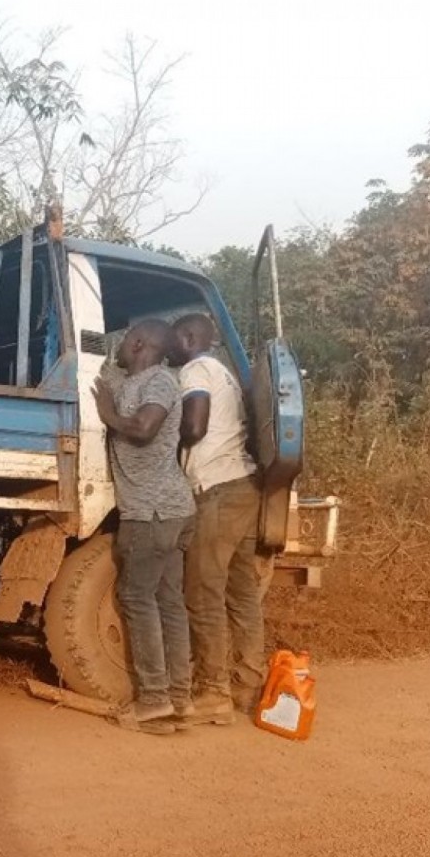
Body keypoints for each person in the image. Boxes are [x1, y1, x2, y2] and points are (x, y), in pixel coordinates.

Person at [91, 319, 196, 735]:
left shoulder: (161, 382)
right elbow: (105, 378)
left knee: (140, 600)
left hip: (153, 512)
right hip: (167, 509)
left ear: (137, 344)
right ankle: (179, 699)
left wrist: (107, 414)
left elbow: (143, 427)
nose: (116, 346)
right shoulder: (130, 381)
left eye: (122, 339)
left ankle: (154, 700)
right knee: (168, 601)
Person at [168, 312, 268, 725]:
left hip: (217, 490)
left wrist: (160, 430)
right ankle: (249, 685)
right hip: (246, 487)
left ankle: (213, 692)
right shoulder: (223, 372)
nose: (170, 347)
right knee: (242, 593)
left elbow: (194, 426)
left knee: (202, 592)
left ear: (189, 337)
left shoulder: (194, 369)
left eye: (174, 339)